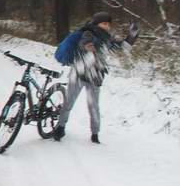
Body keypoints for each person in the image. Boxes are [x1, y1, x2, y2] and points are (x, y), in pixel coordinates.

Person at [54, 12, 139, 144]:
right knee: (69, 103)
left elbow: (122, 47)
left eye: (108, 24)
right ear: (96, 23)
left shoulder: (107, 39)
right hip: (79, 73)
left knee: (93, 107)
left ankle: (95, 134)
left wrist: (132, 36)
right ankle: (60, 127)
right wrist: (89, 48)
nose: (106, 26)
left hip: (95, 76)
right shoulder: (88, 33)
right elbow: (84, 43)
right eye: (104, 23)